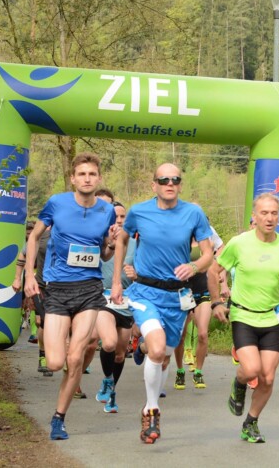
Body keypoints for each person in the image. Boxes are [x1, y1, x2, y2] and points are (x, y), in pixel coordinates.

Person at [110, 163, 213, 445]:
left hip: (176, 297)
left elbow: (208, 254)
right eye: (164, 179)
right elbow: (122, 241)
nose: (170, 184)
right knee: (158, 350)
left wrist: (194, 267)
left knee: (164, 354)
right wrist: (118, 281)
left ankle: (142, 347)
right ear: (153, 184)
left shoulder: (193, 213)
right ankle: (151, 410)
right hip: (145, 292)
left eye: (175, 180)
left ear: (180, 184)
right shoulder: (139, 212)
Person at [24, 152, 117, 440]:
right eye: (82, 174)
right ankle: (60, 345)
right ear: (73, 179)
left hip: (89, 289)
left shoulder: (107, 211)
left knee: (75, 358)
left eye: (92, 174)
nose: (87, 179)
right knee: (55, 362)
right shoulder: (57, 203)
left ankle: (59, 418)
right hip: (58, 289)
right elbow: (33, 237)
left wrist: (112, 246)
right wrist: (29, 276)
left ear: (98, 178)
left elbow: (104, 253)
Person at [208, 193, 279, 443]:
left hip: (270, 318)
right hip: (243, 315)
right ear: (254, 216)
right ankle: (239, 383)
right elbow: (213, 271)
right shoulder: (239, 243)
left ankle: (250, 422)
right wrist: (216, 302)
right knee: (251, 369)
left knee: (268, 378)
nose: (269, 218)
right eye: (264, 213)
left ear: (278, 216)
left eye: (274, 213)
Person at [95, 200, 137, 413]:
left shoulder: (136, 242)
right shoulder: (100, 239)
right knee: (109, 343)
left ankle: (111, 390)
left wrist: (136, 275)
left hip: (127, 301)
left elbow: (145, 271)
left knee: (120, 354)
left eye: (122, 217)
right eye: (115, 217)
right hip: (103, 298)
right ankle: (107, 380)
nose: (119, 220)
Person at [173, 219, 223, 390]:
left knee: (202, 334)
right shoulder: (180, 240)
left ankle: (198, 371)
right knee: (181, 336)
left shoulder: (208, 242)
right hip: (184, 292)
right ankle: (180, 370)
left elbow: (214, 263)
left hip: (203, 291)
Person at [12, 221, 53, 377]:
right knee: (44, 323)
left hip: (65, 286)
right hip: (42, 285)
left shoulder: (73, 233)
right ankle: (43, 355)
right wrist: (18, 278)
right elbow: (23, 254)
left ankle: (67, 356)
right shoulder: (39, 235)